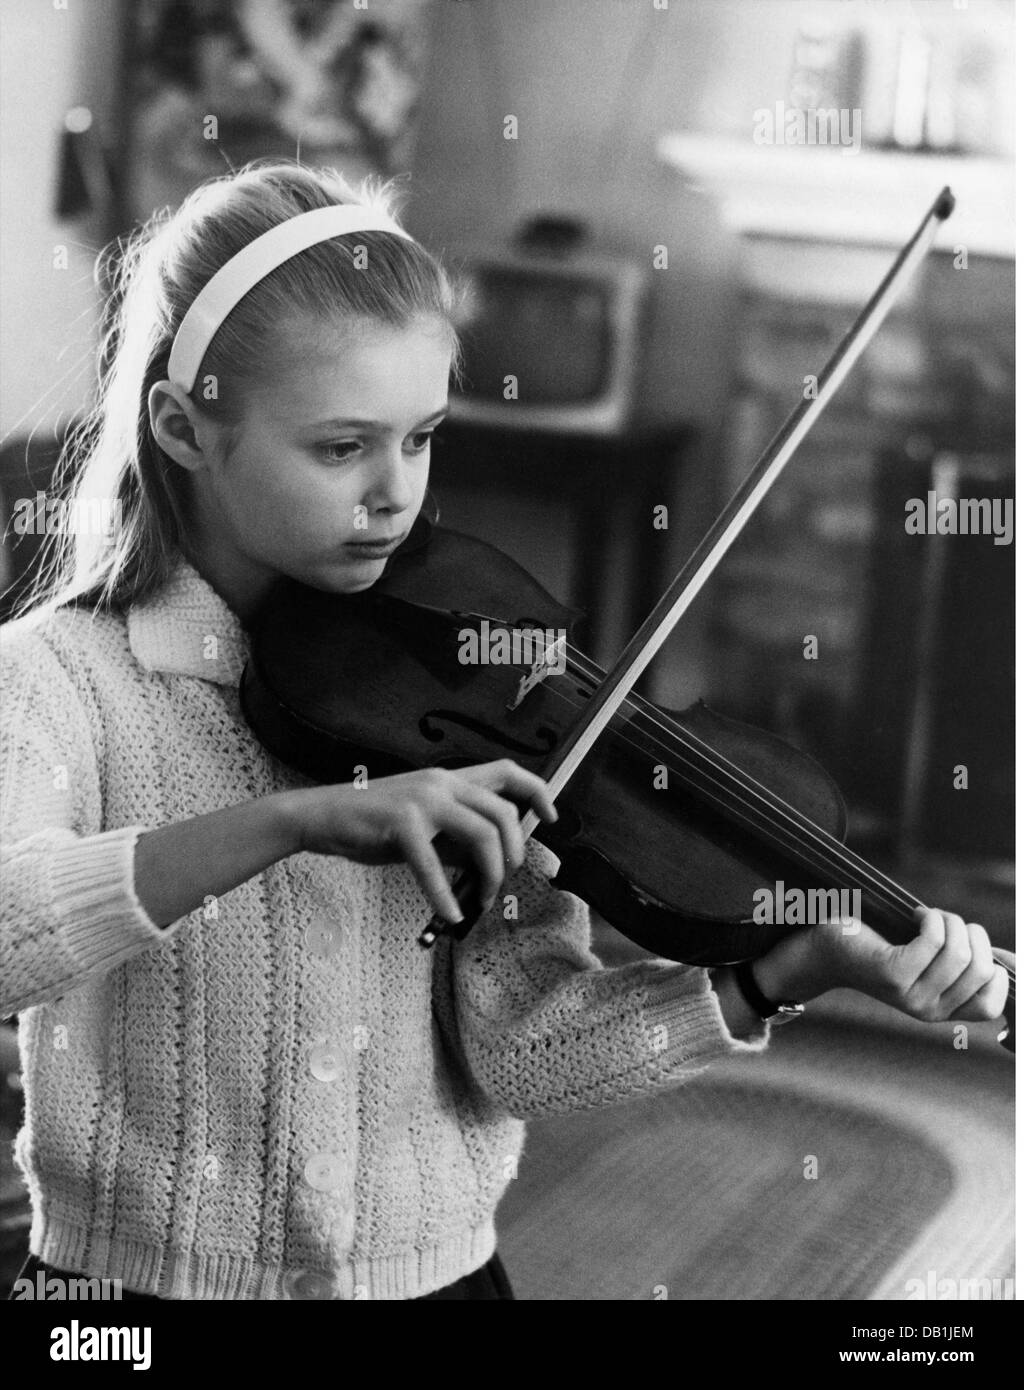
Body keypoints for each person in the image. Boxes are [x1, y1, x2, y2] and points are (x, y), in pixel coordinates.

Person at [1, 161, 1009, 1302]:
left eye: (422, 436)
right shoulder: (64, 682)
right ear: (183, 428)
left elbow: (524, 1050)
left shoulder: (460, 707)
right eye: (341, 448)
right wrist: (294, 820)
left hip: (437, 1284)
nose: (399, 497)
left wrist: (782, 972)